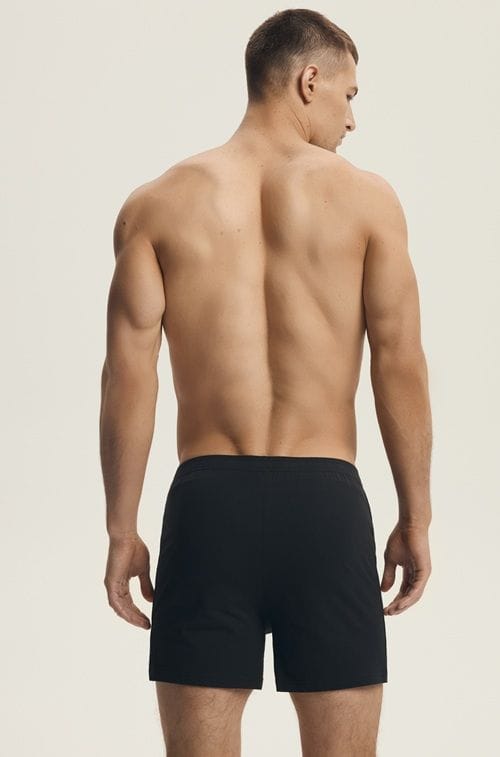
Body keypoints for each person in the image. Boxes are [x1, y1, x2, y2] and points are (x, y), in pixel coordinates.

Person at [100, 8, 432, 756]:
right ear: (309, 80)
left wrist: (122, 529)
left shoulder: (156, 205)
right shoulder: (368, 200)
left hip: (208, 510)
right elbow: (400, 362)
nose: (353, 119)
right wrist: (417, 516)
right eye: (349, 95)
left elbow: (128, 376)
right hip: (325, 507)